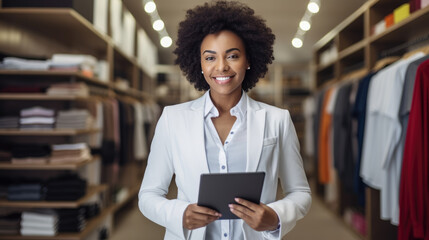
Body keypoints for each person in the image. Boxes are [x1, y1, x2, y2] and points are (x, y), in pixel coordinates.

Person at [138, 1, 311, 239]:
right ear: (199, 63)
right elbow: (148, 195)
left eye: (232, 56)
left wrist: (275, 216)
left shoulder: (277, 120)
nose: (221, 67)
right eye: (210, 58)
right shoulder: (172, 119)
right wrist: (180, 214)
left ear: (248, 60)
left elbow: (300, 192)